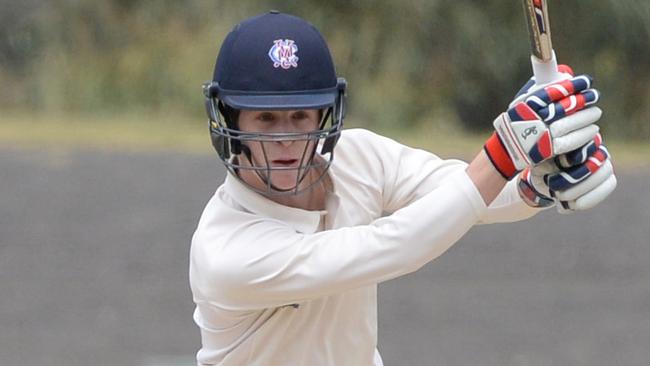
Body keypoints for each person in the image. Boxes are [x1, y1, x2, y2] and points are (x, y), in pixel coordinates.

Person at [189, 11, 616, 366]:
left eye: (299, 115)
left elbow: (467, 196)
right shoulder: (226, 252)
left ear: (324, 114)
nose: (284, 137)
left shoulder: (358, 157)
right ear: (231, 121)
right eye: (265, 118)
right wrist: (505, 153)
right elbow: (395, 245)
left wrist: (533, 183)